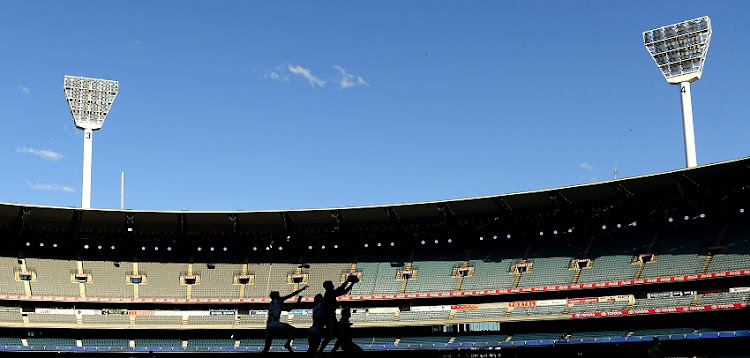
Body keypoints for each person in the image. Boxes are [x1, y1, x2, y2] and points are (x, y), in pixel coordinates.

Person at [263, 284, 309, 354]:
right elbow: (291, 295)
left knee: (266, 348)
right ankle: (287, 344)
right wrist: (302, 289)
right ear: (276, 296)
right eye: (279, 295)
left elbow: (288, 309)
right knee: (292, 329)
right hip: (275, 324)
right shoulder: (278, 300)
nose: (280, 296)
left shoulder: (272, 304)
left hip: (268, 326)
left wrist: (298, 302)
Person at [318, 276, 359, 352]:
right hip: (330, 319)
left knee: (337, 335)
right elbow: (342, 290)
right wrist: (348, 281)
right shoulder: (330, 293)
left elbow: (342, 291)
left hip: (331, 318)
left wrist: (351, 283)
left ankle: (330, 350)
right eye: (332, 284)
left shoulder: (329, 293)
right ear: (329, 286)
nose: (333, 285)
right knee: (332, 336)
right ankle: (321, 351)